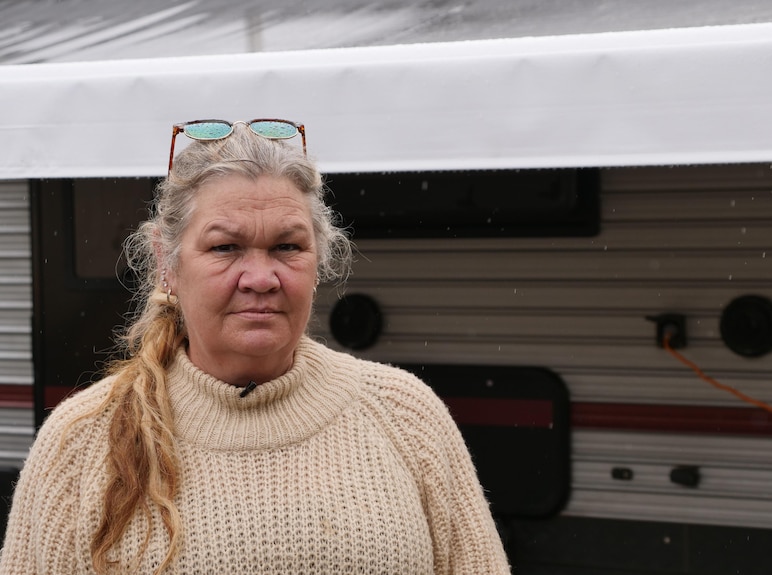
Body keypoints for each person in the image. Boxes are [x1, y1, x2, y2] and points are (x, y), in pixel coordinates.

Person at [0, 120, 510, 574]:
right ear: (167, 264)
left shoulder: (406, 415)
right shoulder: (81, 441)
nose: (262, 278)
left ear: (319, 261)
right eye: (225, 247)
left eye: (287, 246)